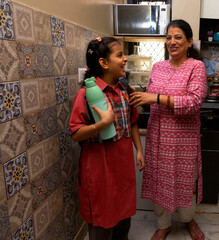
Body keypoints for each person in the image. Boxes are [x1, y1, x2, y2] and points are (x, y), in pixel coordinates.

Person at [129, 19, 208, 240]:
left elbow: (193, 102)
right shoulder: (158, 67)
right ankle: (163, 225)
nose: (171, 42)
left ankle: (188, 219)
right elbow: (152, 99)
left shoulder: (196, 66)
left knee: (185, 181)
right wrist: (141, 98)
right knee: (159, 180)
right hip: (158, 136)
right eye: (168, 37)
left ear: (189, 41)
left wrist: (155, 97)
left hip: (184, 138)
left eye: (178, 37)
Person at [69, 36, 145, 240]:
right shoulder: (86, 94)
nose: (125, 59)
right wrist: (101, 125)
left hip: (123, 169)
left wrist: (139, 150)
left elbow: (133, 121)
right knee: (101, 225)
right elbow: (75, 133)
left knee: (122, 223)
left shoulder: (125, 90)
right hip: (99, 172)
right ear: (103, 63)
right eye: (119, 55)